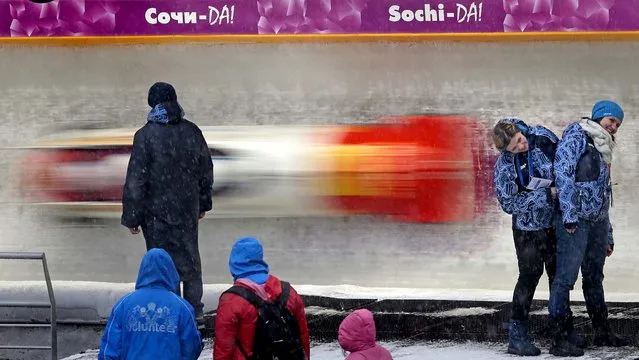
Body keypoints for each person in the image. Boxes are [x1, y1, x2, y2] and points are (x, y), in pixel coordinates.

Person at [121, 81, 214, 321]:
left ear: (153, 103)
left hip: (156, 214)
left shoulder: (145, 136)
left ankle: (172, 314)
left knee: (163, 263)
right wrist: (202, 203)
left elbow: (136, 179)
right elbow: (206, 170)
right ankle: (195, 313)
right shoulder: (192, 131)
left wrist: (133, 215)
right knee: (190, 261)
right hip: (186, 210)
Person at [549, 100, 629, 357]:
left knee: (594, 277)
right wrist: (570, 215)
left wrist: (607, 233)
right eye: (611, 121)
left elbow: (605, 194)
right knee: (565, 279)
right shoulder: (577, 136)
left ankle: (601, 330)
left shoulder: (604, 147)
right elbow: (563, 173)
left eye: (617, 124)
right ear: (598, 117)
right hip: (575, 221)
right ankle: (558, 337)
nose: (614, 126)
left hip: (597, 221)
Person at [492, 118, 569, 356]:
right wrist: (544, 196)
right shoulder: (503, 166)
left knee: (557, 276)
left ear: (519, 131)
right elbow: (508, 203)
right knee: (529, 276)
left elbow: (564, 161)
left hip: (553, 224)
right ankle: (517, 336)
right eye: (513, 149)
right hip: (526, 230)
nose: (520, 147)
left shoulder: (542, 137)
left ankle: (562, 334)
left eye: (519, 141)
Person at [213, 237, 311, 360]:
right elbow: (303, 336)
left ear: (234, 263)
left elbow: (224, 347)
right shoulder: (289, 292)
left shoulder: (231, 300)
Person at [98, 248, 203, 360]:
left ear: (143, 270)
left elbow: (108, 351)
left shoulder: (123, 305)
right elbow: (192, 348)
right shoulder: (182, 307)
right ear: (171, 271)